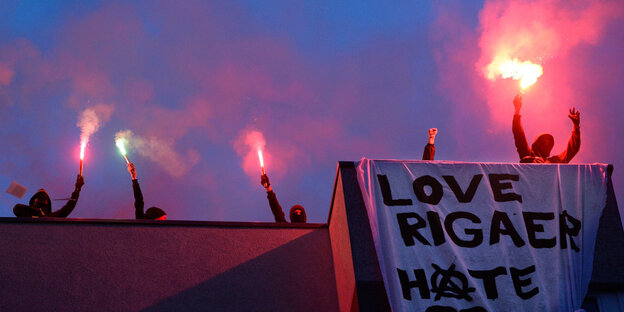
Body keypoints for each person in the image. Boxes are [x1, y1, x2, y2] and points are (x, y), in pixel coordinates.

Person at [512, 94, 580, 163]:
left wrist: (576, 127)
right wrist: (517, 111)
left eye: (549, 144)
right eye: (543, 142)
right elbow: (519, 136)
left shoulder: (554, 162)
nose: (546, 146)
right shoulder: (528, 154)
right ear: (536, 144)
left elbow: (572, 149)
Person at [13, 175, 84, 218]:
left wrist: (77, 189)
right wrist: (36, 211)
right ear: (34, 201)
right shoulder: (26, 214)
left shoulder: (52, 217)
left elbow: (69, 207)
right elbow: (17, 208)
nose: (39, 199)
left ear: (46, 202)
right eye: (37, 197)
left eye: (43, 197)